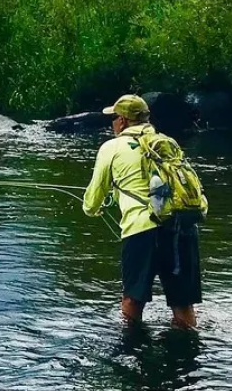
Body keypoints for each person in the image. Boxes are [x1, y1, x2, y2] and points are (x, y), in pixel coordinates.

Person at [82, 94, 205, 329]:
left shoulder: (111, 147)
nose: (112, 123)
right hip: (182, 226)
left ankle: (131, 351)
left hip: (142, 231)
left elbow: (93, 199)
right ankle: (186, 354)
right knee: (183, 305)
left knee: (133, 300)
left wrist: (91, 209)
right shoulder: (168, 142)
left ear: (123, 121)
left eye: (114, 118)